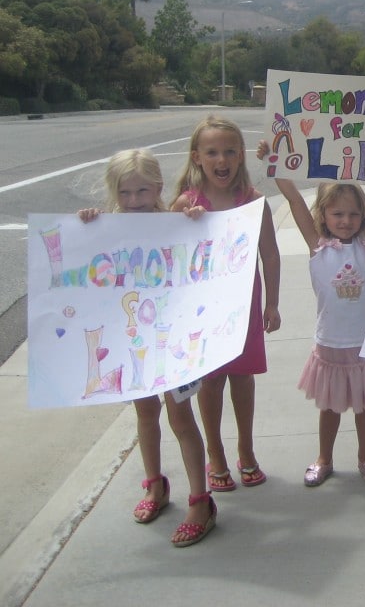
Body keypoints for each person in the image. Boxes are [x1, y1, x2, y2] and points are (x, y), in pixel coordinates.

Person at [255, 139, 365, 487]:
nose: (346, 221)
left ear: (362, 215)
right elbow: (292, 199)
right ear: (323, 216)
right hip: (330, 343)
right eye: (337, 214)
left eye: (353, 214)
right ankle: (324, 457)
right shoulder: (317, 247)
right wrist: (273, 161)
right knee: (330, 407)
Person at [78, 149, 216, 546]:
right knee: (145, 415)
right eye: (125, 193)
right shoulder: (107, 227)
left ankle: (200, 501)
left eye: (142, 190)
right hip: (132, 341)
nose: (134, 200)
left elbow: (199, 246)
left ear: (157, 187)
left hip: (172, 341)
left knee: (181, 419)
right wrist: (86, 224)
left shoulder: (173, 221)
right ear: (114, 193)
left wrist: (192, 219)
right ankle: (155, 485)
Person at [171, 115, 281, 492]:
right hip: (203, 310)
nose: (222, 160)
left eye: (230, 151)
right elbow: (165, 256)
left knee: (243, 379)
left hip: (244, 304)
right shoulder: (187, 203)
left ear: (240, 157)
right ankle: (215, 455)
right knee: (211, 383)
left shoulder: (252, 202)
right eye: (213, 152)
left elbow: (270, 254)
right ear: (197, 157)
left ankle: (246, 450)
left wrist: (273, 303)